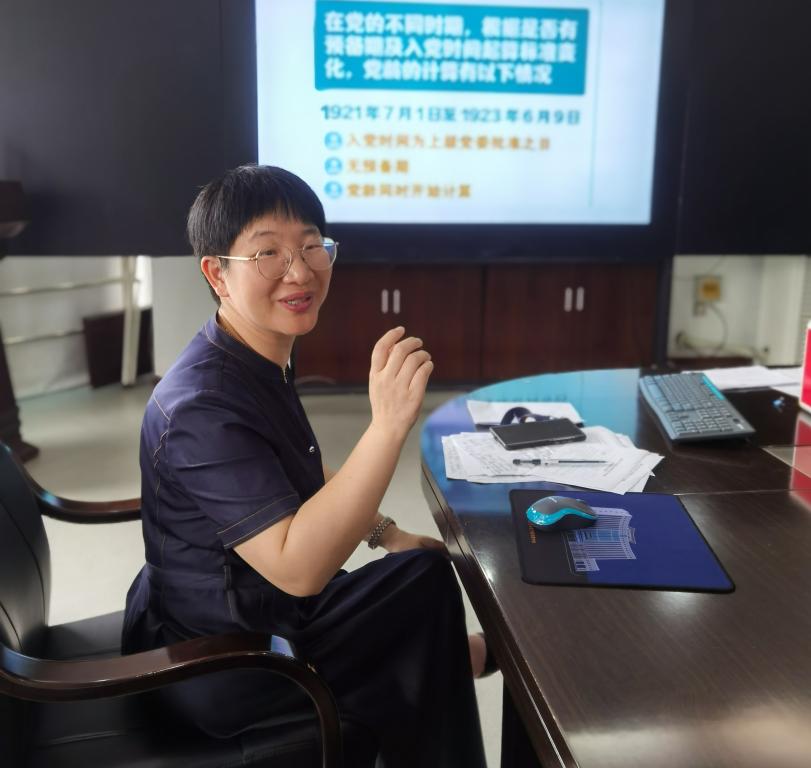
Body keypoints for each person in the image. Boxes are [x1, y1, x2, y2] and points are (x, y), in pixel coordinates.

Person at [122, 164, 489, 766]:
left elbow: (292, 473)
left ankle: (451, 661)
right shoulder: (201, 406)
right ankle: (457, 661)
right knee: (423, 590)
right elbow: (300, 571)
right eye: (267, 253)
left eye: (312, 246)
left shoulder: (248, 354)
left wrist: (385, 533)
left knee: (418, 571)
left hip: (247, 607)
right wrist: (387, 425)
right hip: (227, 658)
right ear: (216, 273)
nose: (299, 272)